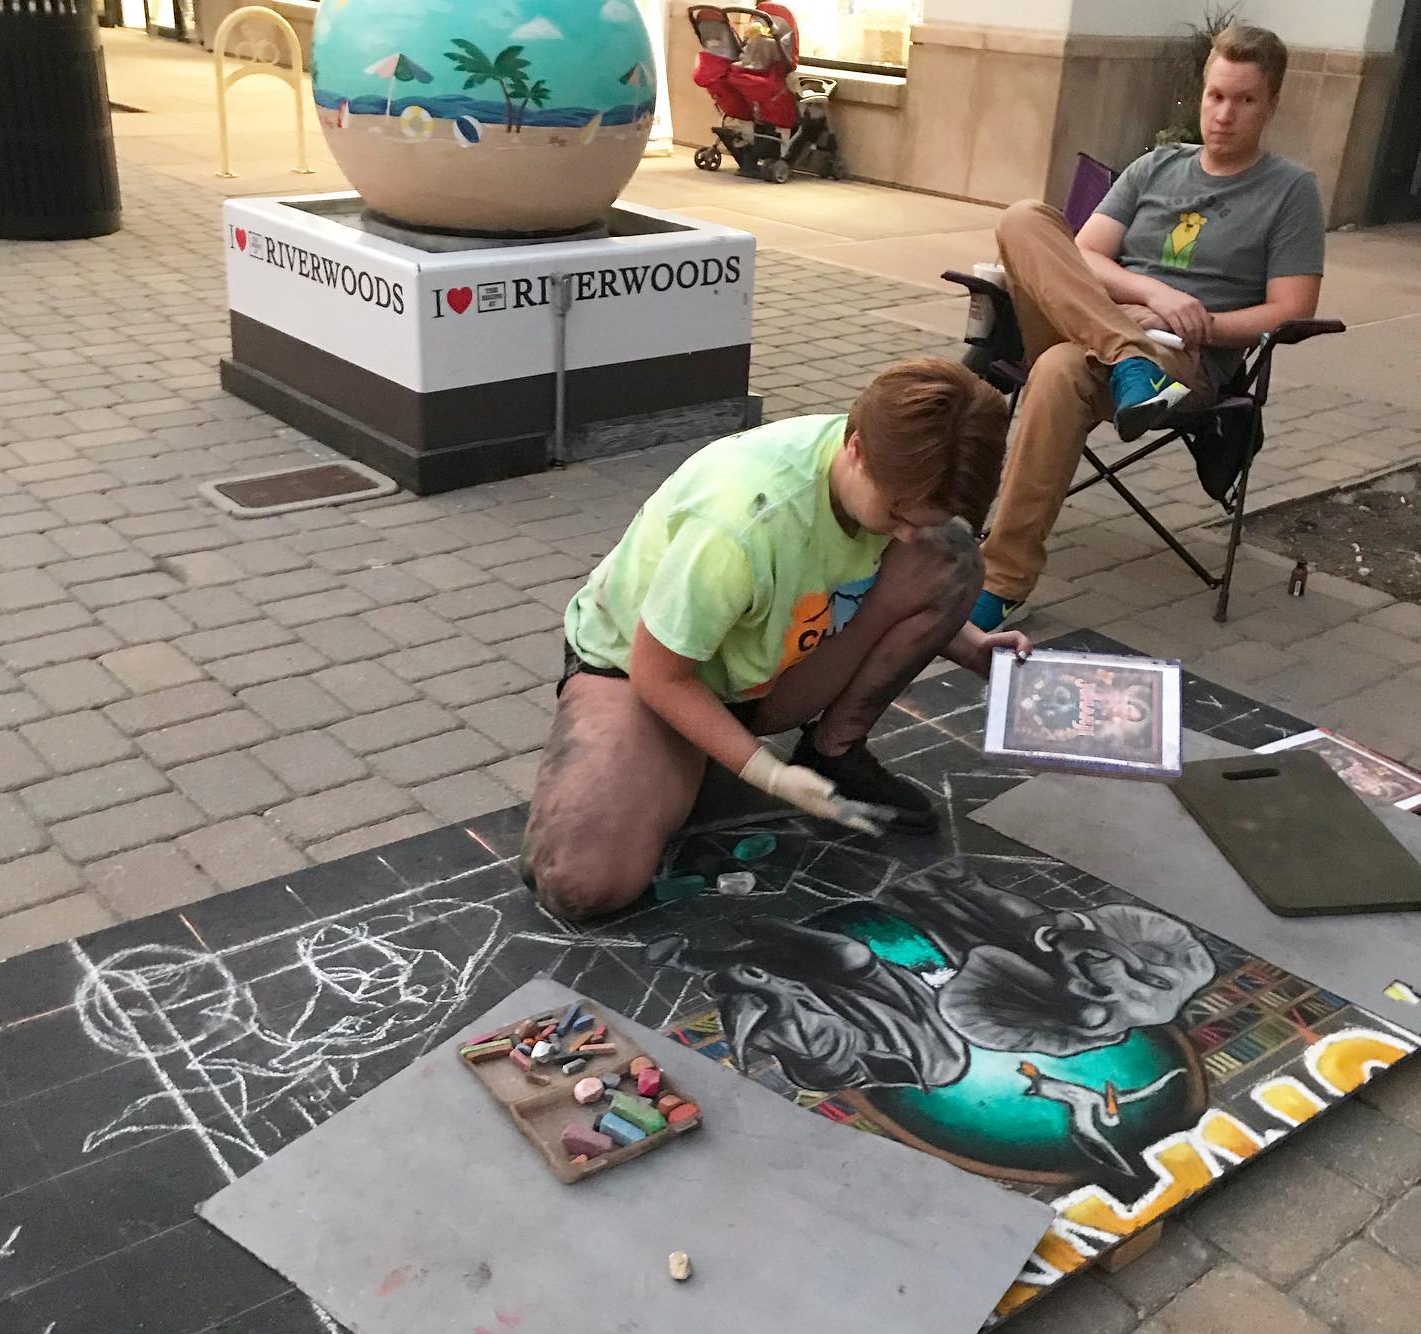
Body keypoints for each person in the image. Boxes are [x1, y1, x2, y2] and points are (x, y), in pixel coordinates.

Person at [521, 359, 1032, 921]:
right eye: (896, 516)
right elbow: (658, 673)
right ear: (856, 449)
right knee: (581, 881)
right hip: (642, 674)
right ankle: (687, 759)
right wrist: (768, 774)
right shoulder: (739, 523)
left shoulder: (893, 465)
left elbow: (899, 562)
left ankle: (830, 754)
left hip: (763, 672)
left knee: (949, 557)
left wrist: (968, 643)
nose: (908, 533)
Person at [969, 22, 1326, 632]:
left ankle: (1001, 581)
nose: (1224, 115)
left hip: (1182, 357)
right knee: (1024, 218)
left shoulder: (1290, 191)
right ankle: (1125, 354)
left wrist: (1198, 324)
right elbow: (1084, 255)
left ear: (1272, 105)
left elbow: (1291, 310)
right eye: (1216, 95)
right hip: (1105, 326)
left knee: (1057, 370)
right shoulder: (1157, 166)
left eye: (1244, 100)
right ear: (1202, 93)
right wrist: (1151, 295)